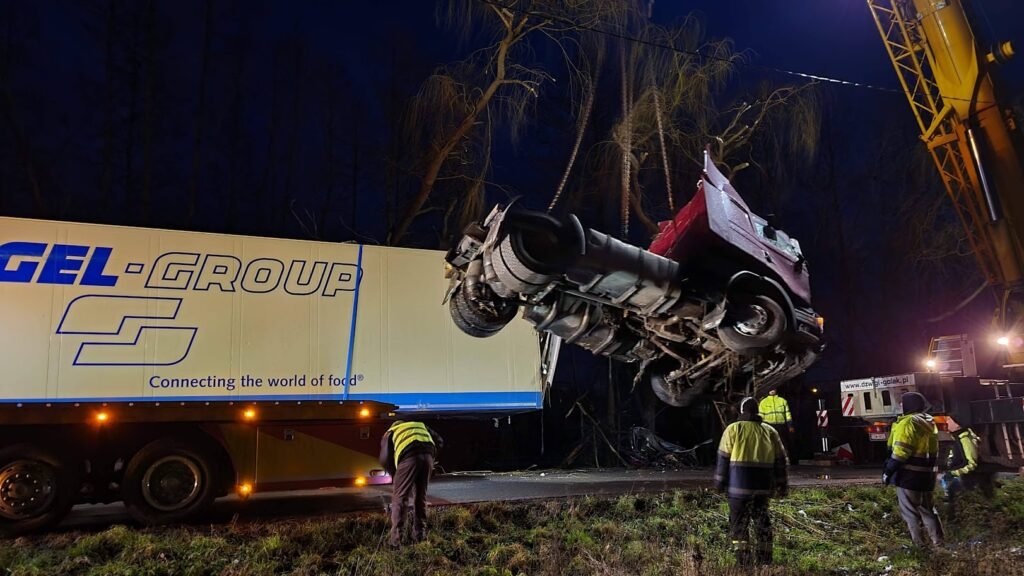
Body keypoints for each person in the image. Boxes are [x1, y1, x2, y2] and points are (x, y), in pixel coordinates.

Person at [715, 396, 789, 566]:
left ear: (741, 411)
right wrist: (781, 484)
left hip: (738, 490)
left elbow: (723, 459)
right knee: (762, 523)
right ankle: (765, 562)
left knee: (739, 526)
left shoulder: (733, 429)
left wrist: (719, 482)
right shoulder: (770, 431)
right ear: (757, 411)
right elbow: (781, 461)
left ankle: (744, 563)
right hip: (762, 490)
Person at [882, 391, 944, 548]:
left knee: (910, 513)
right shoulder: (928, 421)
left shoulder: (907, 423)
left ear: (910, 405)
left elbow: (901, 452)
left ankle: (919, 546)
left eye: (903, 403)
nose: (900, 406)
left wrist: (888, 471)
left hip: (908, 475)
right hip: (927, 475)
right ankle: (939, 544)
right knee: (928, 510)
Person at [379, 420, 443, 547]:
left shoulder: (390, 432)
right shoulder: (420, 425)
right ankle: (420, 535)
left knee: (400, 498)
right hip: (428, 455)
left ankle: (396, 541)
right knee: (421, 496)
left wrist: (394, 475)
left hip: (409, 456)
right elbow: (440, 441)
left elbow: (385, 459)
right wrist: (430, 458)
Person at [940, 417, 995, 521]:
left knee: (958, 497)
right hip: (966, 479)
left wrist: (953, 473)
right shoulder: (958, 437)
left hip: (971, 479)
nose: (947, 422)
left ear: (958, 424)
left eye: (949, 420)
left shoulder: (965, 439)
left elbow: (971, 463)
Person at [758, 389, 795, 461]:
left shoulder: (782, 401)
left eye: (773, 389)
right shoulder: (763, 402)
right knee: (769, 443)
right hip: (768, 425)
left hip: (780, 425)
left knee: (783, 442)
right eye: (770, 389)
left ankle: (785, 459)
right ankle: (769, 459)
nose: (772, 391)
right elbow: (761, 415)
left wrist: (790, 425)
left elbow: (787, 414)